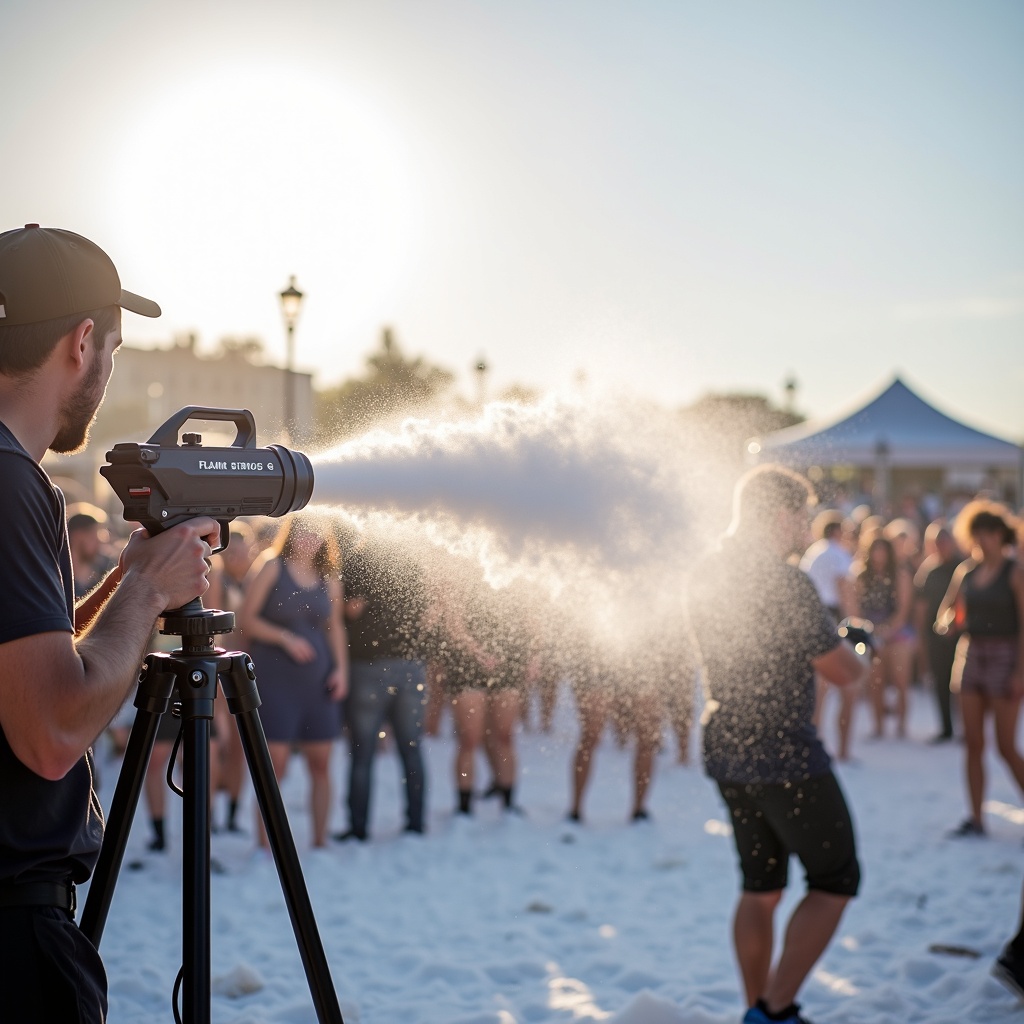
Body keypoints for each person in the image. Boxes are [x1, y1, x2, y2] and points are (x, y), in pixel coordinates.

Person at [0, 223, 217, 1022]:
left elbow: (20, 662)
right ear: (82, 341)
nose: (107, 368)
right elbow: (52, 733)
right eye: (116, 350)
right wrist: (146, 596)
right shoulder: (12, 483)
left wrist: (124, 583)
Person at [685, 465, 867, 1024]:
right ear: (777, 514)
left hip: (726, 744)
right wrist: (860, 647)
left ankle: (756, 1010)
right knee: (836, 879)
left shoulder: (705, 570)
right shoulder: (784, 580)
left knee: (760, 887)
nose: (805, 530)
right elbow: (842, 673)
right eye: (800, 517)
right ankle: (776, 1009)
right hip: (782, 748)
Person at [239, 513, 348, 848]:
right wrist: (285, 638)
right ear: (291, 533)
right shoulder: (272, 566)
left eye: (316, 534)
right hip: (275, 684)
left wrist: (342, 670)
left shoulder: (329, 577)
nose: (308, 540)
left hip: (317, 686)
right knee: (275, 768)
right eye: (303, 533)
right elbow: (246, 620)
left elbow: (335, 627)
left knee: (321, 765)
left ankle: (319, 841)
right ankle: (264, 846)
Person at [937, 501, 1024, 837]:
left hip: (1005, 656)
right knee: (973, 743)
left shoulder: (1014, 573)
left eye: (989, 533)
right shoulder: (967, 572)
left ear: (1001, 534)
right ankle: (976, 817)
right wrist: (948, 624)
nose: (983, 540)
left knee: (1006, 746)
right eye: (977, 534)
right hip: (971, 653)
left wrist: (1020, 671)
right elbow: (947, 612)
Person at [336, 536, 428, 841]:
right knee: (411, 749)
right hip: (409, 664)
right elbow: (427, 615)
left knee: (362, 753)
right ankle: (416, 823)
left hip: (368, 666)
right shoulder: (413, 558)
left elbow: (350, 610)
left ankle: (358, 829)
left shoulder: (357, 560)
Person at [206, 523, 259, 832]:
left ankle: (233, 814)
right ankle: (209, 812)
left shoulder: (257, 579)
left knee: (240, 744)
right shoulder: (216, 579)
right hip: (221, 670)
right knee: (214, 744)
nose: (237, 556)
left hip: (247, 669)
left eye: (242, 550)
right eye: (231, 551)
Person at [800, 510, 857, 761]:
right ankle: (843, 750)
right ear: (838, 531)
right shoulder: (838, 554)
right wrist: (855, 624)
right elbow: (844, 590)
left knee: (818, 690)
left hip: (811, 618)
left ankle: (816, 741)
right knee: (848, 685)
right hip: (833, 618)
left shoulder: (812, 553)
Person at [853, 534, 915, 738]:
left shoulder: (899, 575)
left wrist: (888, 630)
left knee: (901, 681)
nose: (879, 555)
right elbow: (856, 609)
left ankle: (902, 726)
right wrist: (872, 631)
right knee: (875, 682)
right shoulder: (861, 576)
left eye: (882, 550)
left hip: (897, 633)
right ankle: (878, 726)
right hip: (872, 633)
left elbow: (904, 610)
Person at [913, 523, 962, 742]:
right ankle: (946, 727)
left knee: (961, 684)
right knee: (940, 681)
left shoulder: (962, 567)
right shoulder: (928, 570)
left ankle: (966, 729)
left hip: (961, 634)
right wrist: (921, 634)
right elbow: (921, 606)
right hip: (936, 634)